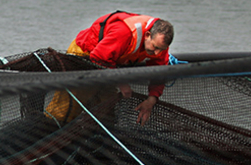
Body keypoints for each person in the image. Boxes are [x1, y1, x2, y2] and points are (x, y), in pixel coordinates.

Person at [46, 11, 175, 125]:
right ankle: (48, 129)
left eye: (162, 49)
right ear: (147, 35)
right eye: (155, 47)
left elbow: (159, 73)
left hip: (110, 66)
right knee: (70, 103)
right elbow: (98, 57)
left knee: (107, 104)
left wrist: (151, 100)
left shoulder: (161, 42)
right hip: (84, 56)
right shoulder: (124, 32)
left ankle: (92, 137)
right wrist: (122, 83)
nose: (158, 53)